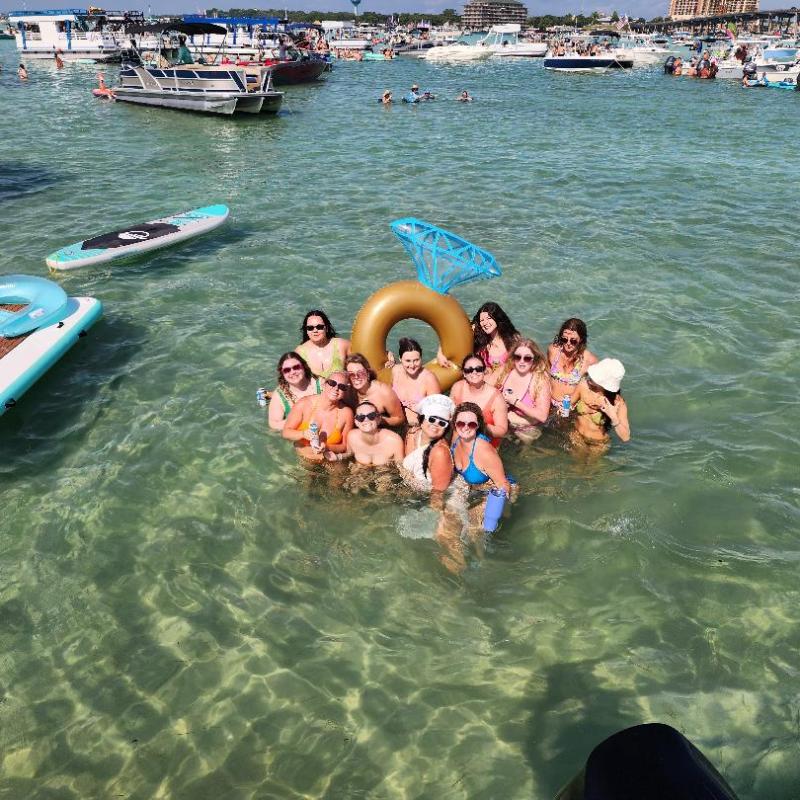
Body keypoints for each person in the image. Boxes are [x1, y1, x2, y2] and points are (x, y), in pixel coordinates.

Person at [450, 402, 512, 526]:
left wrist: (491, 515)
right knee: (447, 526)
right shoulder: (456, 436)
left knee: (474, 531)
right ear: (455, 424)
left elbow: (502, 484)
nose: (465, 428)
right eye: (460, 423)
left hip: (492, 491)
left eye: (471, 424)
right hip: (471, 488)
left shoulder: (485, 453)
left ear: (478, 425)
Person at [438, 302, 520, 385]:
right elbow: (453, 335)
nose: (485, 323)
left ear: (497, 318)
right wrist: (440, 352)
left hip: (501, 386)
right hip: (477, 383)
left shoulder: (513, 339)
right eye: (482, 320)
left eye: (488, 318)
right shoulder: (478, 334)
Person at [282, 370, 354, 461]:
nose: (336, 388)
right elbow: (286, 432)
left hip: (329, 458)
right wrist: (303, 434)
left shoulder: (346, 413)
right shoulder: (305, 404)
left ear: (345, 391)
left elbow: (344, 446)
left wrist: (327, 447)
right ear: (324, 385)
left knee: (338, 472)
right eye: (332, 383)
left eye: (342, 387)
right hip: (303, 458)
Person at [400, 394, 455, 495]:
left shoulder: (440, 452)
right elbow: (408, 471)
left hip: (442, 496)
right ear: (422, 419)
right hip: (416, 491)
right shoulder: (412, 433)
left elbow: (438, 494)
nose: (435, 424)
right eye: (432, 419)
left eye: (442, 423)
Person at [449, 354, 508, 446]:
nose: (474, 372)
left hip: (483, 446)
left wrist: (479, 425)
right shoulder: (457, 387)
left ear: (484, 371)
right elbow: (449, 412)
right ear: (464, 373)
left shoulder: (496, 398)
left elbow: (502, 431)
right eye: (469, 370)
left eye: (478, 369)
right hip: (458, 442)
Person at [570, 358, 630, 447]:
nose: (590, 376)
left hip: (598, 443)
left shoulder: (617, 403)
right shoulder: (583, 385)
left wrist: (613, 416)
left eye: (595, 377)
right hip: (576, 435)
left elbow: (625, 437)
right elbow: (568, 405)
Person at [500, 338, 551, 443]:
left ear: (534, 359)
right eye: (518, 357)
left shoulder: (539, 380)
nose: (522, 361)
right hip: (504, 424)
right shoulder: (506, 371)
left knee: (522, 456)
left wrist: (515, 402)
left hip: (527, 429)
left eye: (527, 358)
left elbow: (542, 416)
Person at [391, 337, 441, 434]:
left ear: (421, 358)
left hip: (418, 429)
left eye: (416, 360)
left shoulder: (429, 378)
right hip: (397, 426)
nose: (412, 365)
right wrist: (389, 354)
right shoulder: (396, 371)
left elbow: (438, 412)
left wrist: (421, 409)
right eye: (408, 361)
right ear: (400, 359)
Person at [548, 318, 598, 413]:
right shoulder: (553, 350)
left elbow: (600, 389)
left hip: (571, 410)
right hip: (549, 404)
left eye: (573, 341)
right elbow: (544, 374)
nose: (568, 344)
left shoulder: (589, 360)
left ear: (581, 339)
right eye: (564, 339)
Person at [344, 353, 405, 428]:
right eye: (351, 374)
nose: (356, 377)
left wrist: (379, 420)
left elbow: (400, 419)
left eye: (360, 373)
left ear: (368, 373)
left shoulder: (384, 392)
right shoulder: (346, 393)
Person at [268, 351, 322, 431]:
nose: (292, 372)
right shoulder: (279, 395)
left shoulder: (320, 384)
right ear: (282, 373)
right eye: (287, 370)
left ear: (304, 366)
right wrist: (301, 421)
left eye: (296, 367)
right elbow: (274, 425)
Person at [295, 309, 350, 380]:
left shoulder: (342, 345)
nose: (315, 330)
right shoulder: (299, 353)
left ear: (326, 328)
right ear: (306, 331)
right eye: (310, 328)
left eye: (319, 327)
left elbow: (360, 368)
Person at [345, 401, 405, 465]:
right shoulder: (352, 436)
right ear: (356, 422)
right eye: (361, 417)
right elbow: (349, 455)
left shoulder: (394, 441)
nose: (366, 419)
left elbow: (401, 468)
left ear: (378, 419)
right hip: (359, 472)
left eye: (371, 416)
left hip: (385, 473)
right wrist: (338, 457)